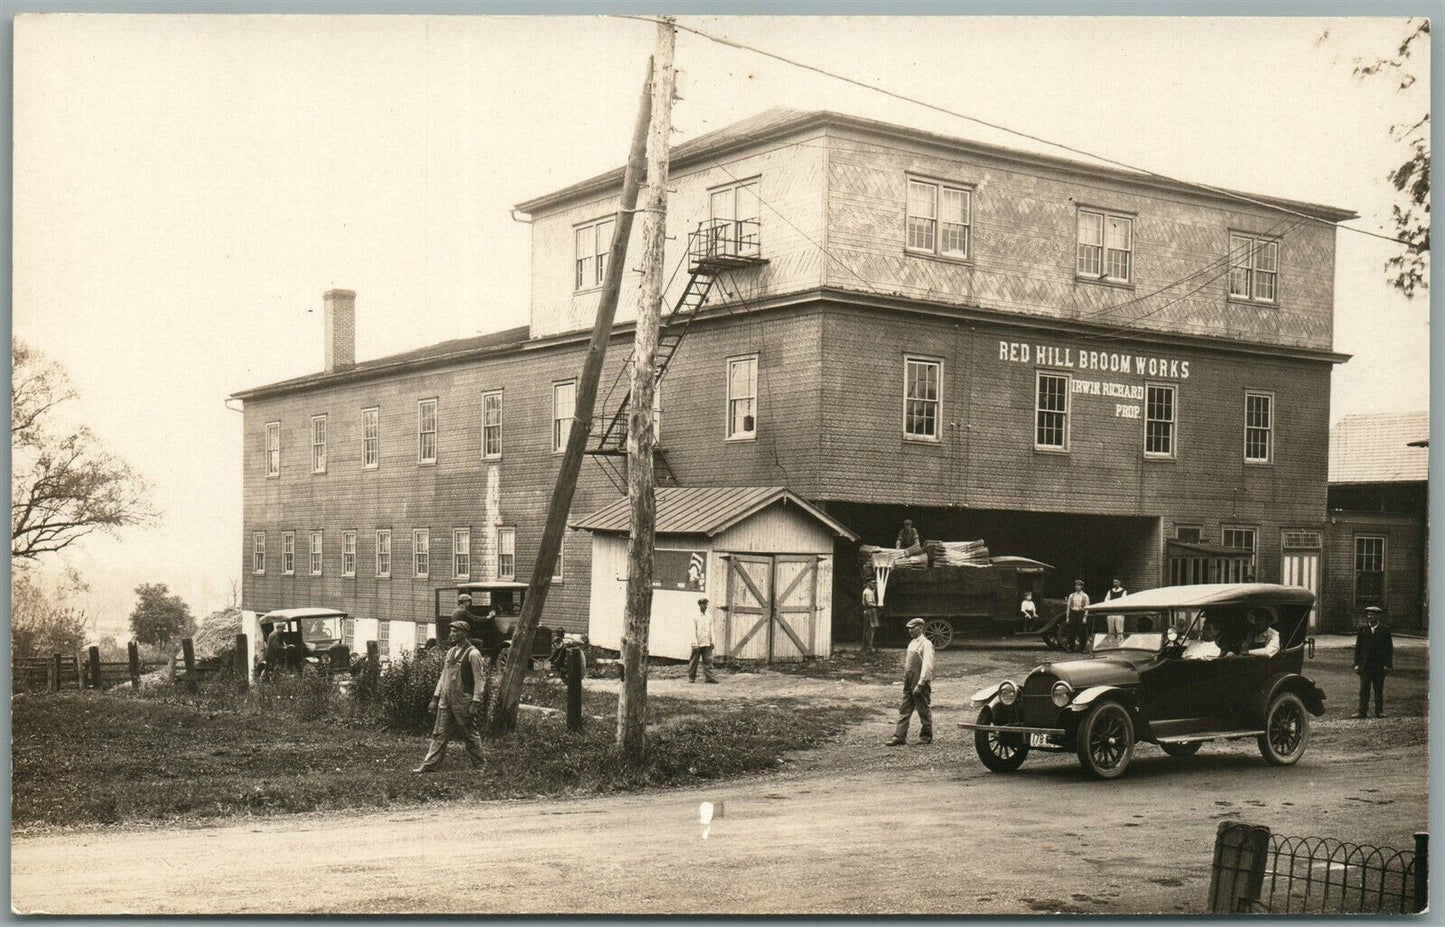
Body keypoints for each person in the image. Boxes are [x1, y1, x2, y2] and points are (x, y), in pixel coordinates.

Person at [412, 620, 487, 773]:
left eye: (455, 631)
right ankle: (429, 766)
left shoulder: (473, 653)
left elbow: (480, 680)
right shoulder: (451, 652)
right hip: (446, 699)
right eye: (451, 631)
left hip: (463, 699)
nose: (451, 634)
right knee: (439, 732)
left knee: (469, 733)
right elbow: (443, 676)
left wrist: (475, 702)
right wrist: (435, 698)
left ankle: (480, 766)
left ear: (464, 633)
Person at [885, 617, 934, 746]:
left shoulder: (926, 644)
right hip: (909, 680)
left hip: (920, 682)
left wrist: (921, 684)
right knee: (905, 708)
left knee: (923, 708)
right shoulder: (912, 643)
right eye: (909, 628)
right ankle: (899, 736)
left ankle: (926, 736)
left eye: (913, 628)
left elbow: (927, 666)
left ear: (921, 628)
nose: (910, 631)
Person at [1354, 606, 1394, 718]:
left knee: (1378, 689)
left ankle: (1379, 711)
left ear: (1378, 616)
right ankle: (1362, 712)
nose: (1370, 617)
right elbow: (1358, 649)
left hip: (1379, 666)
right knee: (1364, 690)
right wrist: (1357, 664)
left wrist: (1387, 664)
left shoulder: (1385, 630)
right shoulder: (1362, 630)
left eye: (1372, 615)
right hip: (1365, 666)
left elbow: (1389, 649)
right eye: (1368, 615)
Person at [688, 597, 719, 683]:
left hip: (707, 642)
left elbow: (712, 629)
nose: (704, 606)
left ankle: (709, 678)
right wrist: (694, 642)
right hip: (697, 643)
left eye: (705, 604)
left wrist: (712, 641)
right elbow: (692, 630)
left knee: (708, 660)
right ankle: (691, 677)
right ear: (699, 605)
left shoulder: (709, 616)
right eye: (702, 604)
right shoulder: (695, 616)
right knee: (694, 661)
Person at [1065, 580, 1091, 653]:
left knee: (1082, 631)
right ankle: (1071, 647)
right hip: (1073, 613)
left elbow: (1087, 607)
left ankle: (1083, 648)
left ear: (1082, 586)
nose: (1077, 587)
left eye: (1079, 585)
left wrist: (1085, 617)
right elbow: (1068, 607)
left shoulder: (1085, 596)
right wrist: (1067, 617)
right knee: (1071, 630)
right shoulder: (1072, 595)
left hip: (1081, 613)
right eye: (1076, 585)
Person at [861, 581, 880, 651]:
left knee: (868, 629)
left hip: (869, 611)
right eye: (873, 583)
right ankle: (869, 647)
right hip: (870, 611)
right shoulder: (868, 592)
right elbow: (869, 603)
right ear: (868, 583)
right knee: (870, 629)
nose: (875, 585)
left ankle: (865, 647)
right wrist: (877, 605)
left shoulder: (869, 591)